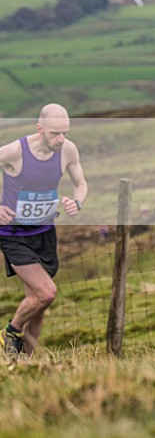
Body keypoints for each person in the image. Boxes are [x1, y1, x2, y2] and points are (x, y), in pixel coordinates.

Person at [0, 104, 88, 359]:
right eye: (55, 134)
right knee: (46, 292)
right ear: (40, 129)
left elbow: (80, 183)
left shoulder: (68, 150)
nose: (61, 139)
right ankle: (10, 331)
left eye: (65, 133)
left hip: (45, 233)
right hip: (14, 235)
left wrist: (77, 201)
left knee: (39, 306)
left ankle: (21, 362)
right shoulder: (16, 151)